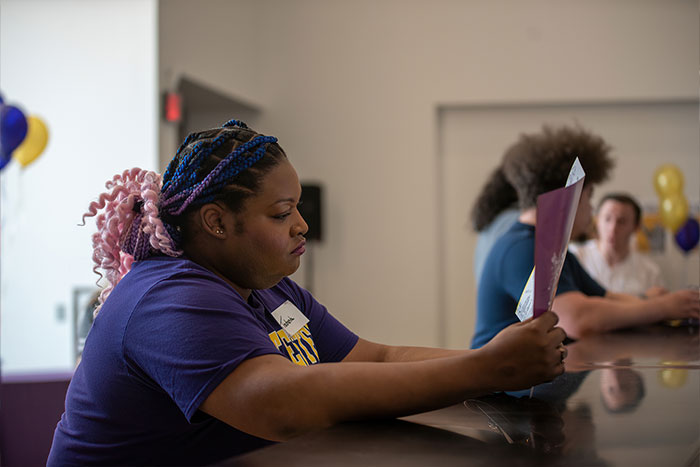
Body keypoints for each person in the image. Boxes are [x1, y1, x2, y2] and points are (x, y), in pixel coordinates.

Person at [48, 120, 567, 466]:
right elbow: (281, 404)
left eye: (297, 207)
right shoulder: (166, 297)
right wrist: (487, 370)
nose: (302, 226)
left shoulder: (270, 292)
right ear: (216, 221)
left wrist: (496, 365)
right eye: (281, 213)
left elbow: (377, 357)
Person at [470, 124, 700, 350]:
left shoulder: (558, 253)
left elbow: (607, 298)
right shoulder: (522, 248)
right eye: (589, 196)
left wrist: (665, 302)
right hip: (506, 387)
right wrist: (662, 307)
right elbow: (578, 319)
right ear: (569, 196)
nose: (591, 209)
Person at [569, 193, 665, 297]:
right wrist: (642, 299)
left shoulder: (649, 272)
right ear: (597, 221)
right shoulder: (575, 257)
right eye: (607, 219)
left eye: (622, 221)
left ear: (636, 226)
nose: (613, 228)